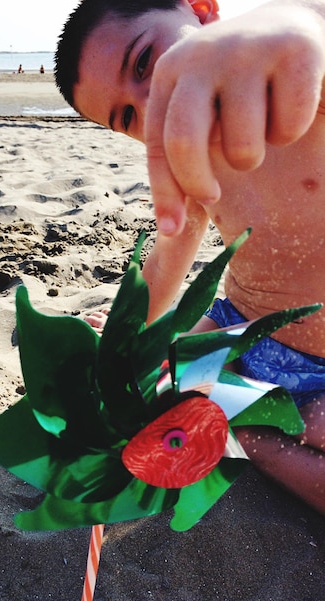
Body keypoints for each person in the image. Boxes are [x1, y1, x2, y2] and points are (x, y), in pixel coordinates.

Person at [54, 0, 325, 514]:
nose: (150, 100)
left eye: (143, 62)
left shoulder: (301, 91)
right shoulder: (187, 158)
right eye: (127, 116)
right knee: (142, 401)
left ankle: (251, 438)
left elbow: (311, 29)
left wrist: (296, 23)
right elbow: (163, 266)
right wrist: (127, 342)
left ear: (201, 9)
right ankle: (235, 420)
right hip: (238, 328)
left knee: (308, 430)